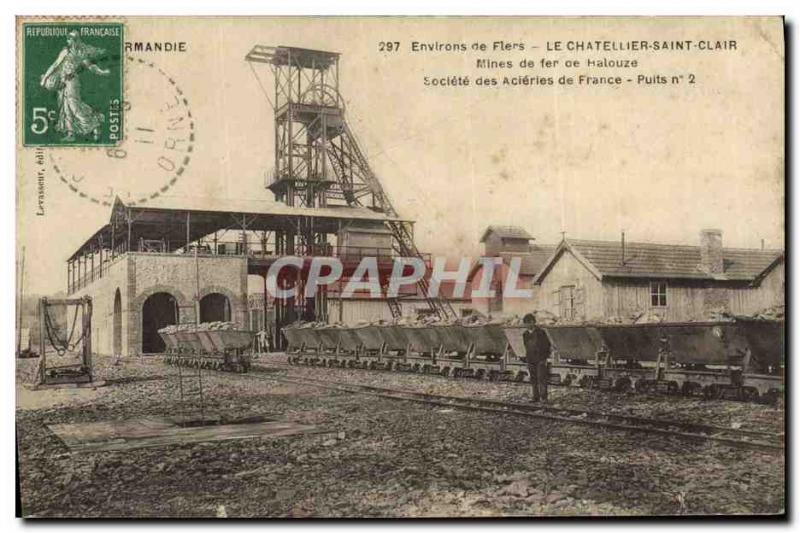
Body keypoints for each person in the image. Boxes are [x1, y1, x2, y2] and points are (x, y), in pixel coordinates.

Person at [40, 31, 110, 141]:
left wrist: (102, 72)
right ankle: (70, 133)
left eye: (69, 39)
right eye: (67, 39)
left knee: (74, 106)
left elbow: (90, 66)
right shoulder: (65, 51)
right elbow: (55, 65)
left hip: (72, 82)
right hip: (62, 83)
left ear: (75, 40)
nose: (67, 41)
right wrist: (45, 78)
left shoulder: (80, 53)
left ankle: (94, 125)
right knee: (65, 107)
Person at [522, 313, 551, 402]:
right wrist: (527, 359)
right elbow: (526, 346)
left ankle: (544, 397)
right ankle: (535, 397)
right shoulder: (525, 334)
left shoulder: (541, 332)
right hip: (531, 359)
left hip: (540, 359)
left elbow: (547, 345)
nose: (526, 325)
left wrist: (544, 359)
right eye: (525, 323)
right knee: (533, 379)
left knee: (541, 378)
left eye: (527, 323)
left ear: (532, 322)